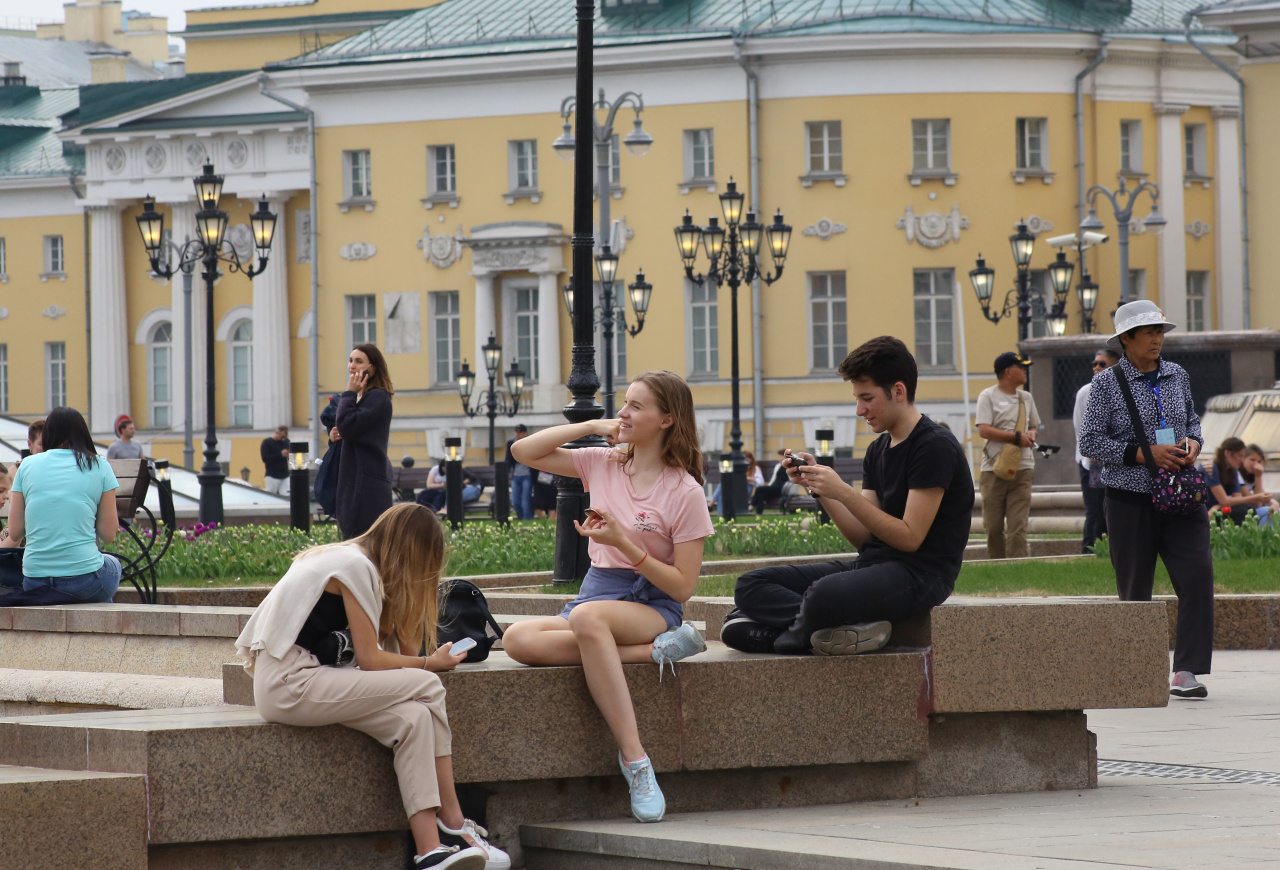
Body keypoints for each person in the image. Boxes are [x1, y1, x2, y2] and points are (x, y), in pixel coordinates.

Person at [235, 503, 509, 870]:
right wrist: (431, 664)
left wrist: (411, 621)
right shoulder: (356, 566)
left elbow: (400, 653)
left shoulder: (352, 558)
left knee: (413, 718)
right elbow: (371, 659)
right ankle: (454, 819)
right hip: (290, 682)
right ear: (413, 553)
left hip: (310, 679)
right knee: (428, 685)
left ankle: (430, 851)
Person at [503, 371, 714, 824]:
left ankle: (636, 760)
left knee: (589, 621)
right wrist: (589, 426)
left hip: (651, 602)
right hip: (598, 594)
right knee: (516, 639)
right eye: (625, 403)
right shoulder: (604, 462)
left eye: (637, 406)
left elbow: (683, 586)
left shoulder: (685, 491)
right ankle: (653, 652)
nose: (624, 413)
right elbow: (523, 452)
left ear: (666, 420)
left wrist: (624, 544)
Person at [722, 336, 974, 657]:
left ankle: (783, 637)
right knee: (751, 584)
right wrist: (821, 489)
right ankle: (825, 629)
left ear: (898, 391)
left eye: (867, 398)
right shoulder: (878, 449)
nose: (859, 410)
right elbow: (865, 538)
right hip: (873, 566)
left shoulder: (934, 446)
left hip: (921, 576)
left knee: (824, 594)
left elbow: (910, 538)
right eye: (857, 399)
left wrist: (843, 491)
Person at [1079, 300, 1213, 700]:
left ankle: (1186, 670)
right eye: (1149, 332)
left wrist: (1193, 443)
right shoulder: (1105, 384)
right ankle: (1135, 671)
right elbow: (1089, 442)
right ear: (1126, 339)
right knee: (1135, 588)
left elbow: (1192, 421)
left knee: (1197, 579)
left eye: (1160, 332)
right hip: (1130, 499)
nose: (1157, 339)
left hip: (1181, 495)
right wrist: (1142, 453)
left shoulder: (1177, 375)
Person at [3, 407, 121, 603]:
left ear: (48, 434)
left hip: (35, 580)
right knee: (112, 565)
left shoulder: (26, 466)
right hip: (84, 581)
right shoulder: (99, 465)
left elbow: (15, 532)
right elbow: (108, 534)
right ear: (83, 433)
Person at [975, 352, 1041, 559]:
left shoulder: (1026, 398)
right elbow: (984, 430)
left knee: (1018, 525)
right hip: (994, 468)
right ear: (1008, 372)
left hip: (1023, 466)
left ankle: (1017, 565)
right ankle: (997, 563)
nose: (1025, 371)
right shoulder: (988, 396)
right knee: (993, 525)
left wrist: (1031, 434)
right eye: (1021, 367)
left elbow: (1033, 426)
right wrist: (1016, 437)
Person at [333, 344, 394, 540]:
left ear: (372, 368)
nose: (352, 366)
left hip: (366, 487)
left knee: (362, 543)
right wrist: (336, 436)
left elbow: (347, 425)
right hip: (357, 482)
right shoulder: (365, 397)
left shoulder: (377, 397)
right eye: (350, 360)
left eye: (359, 361)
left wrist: (349, 393)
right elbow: (350, 431)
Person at [1074, 349, 1120, 552]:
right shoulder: (1085, 392)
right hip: (1093, 462)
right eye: (1094, 364)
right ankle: (1089, 550)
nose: (1096, 368)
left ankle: (1113, 549)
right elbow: (1079, 428)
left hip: (1118, 459)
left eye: (1102, 364)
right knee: (1095, 510)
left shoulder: (1122, 390)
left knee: (1115, 508)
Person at [1203, 437, 1270, 525]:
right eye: (1240, 456)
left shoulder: (1233, 471)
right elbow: (1224, 501)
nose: (1242, 461)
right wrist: (1256, 497)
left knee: (1248, 509)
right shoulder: (1210, 467)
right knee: (1243, 511)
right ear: (1227, 453)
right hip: (1207, 512)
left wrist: (1217, 506)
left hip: (1217, 509)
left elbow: (1238, 499)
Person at [1241, 444, 1278, 527]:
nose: (1255, 464)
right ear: (1243, 459)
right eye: (1252, 460)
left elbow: (1263, 495)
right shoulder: (1238, 476)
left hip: (1250, 509)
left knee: (1275, 511)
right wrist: (1258, 477)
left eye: (1259, 461)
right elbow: (1257, 503)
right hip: (1243, 511)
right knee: (1267, 512)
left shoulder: (1252, 476)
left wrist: (1275, 503)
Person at [749, 450, 792, 516]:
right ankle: (758, 514)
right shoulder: (778, 466)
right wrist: (769, 486)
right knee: (761, 495)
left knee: (759, 489)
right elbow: (773, 479)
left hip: (782, 488)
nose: (779, 459)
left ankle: (751, 505)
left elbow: (791, 480)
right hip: (774, 487)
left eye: (780, 457)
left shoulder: (790, 466)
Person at [507, 424, 533, 520]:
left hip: (527, 475)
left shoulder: (529, 442)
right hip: (516, 475)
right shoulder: (511, 443)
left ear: (525, 433)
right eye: (516, 432)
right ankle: (521, 517)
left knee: (525, 500)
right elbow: (508, 459)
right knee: (515, 501)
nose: (517, 434)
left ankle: (527, 519)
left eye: (519, 432)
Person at [261, 425, 291, 496]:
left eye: (285, 437)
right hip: (272, 475)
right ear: (277, 433)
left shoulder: (286, 442)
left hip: (285, 475)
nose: (283, 439)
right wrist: (280, 455)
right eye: (282, 437)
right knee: (272, 495)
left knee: (286, 494)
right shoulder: (267, 443)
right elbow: (265, 458)